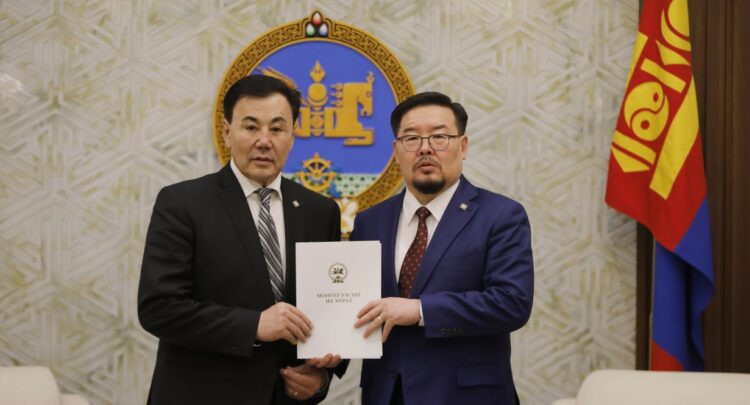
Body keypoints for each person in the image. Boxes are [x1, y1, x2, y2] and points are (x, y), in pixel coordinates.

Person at [138, 75, 343, 405]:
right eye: (250, 127)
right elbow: (159, 308)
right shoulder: (182, 203)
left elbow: (332, 306)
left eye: (277, 128)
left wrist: (321, 377)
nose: (264, 141)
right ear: (227, 132)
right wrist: (254, 325)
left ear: (293, 135)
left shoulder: (320, 211)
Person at [351, 92, 534, 404]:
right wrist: (325, 358)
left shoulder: (501, 216)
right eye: (411, 138)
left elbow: (511, 303)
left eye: (439, 137)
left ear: (463, 146)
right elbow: (354, 304)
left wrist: (420, 310)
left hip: (467, 396)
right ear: (396, 151)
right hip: (387, 394)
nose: (425, 148)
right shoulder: (370, 221)